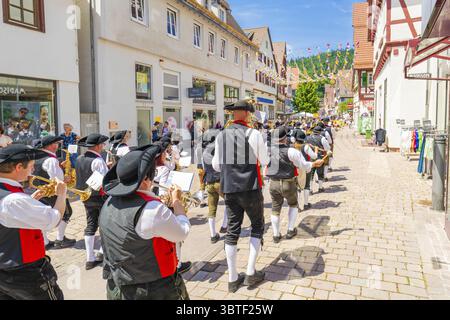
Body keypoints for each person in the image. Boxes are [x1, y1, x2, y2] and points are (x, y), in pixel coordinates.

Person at [99, 145, 190, 300]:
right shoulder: (152, 209)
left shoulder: (108, 202)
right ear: (147, 179)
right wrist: (176, 202)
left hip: (117, 285)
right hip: (153, 289)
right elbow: (182, 232)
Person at [212, 99, 270, 293]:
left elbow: (215, 166)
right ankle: (251, 272)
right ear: (247, 114)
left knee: (232, 230)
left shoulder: (221, 135)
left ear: (233, 114)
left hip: (230, 189)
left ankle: (232, 279)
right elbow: (265, 160)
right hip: (251, 188)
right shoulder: (254, 134)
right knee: (257, 226)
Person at [0, 144, 67, 300]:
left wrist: (29, 201)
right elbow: (54, 219)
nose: (33, 170)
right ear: (18, 167)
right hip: (23, 272)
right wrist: (62, 194)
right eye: (30, 166)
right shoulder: (14, 200)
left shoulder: (10, 195)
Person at [267, 127, 323, 243]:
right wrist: (314, 164)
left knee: (275, 208)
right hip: (288, 183)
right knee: (293, 204)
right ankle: (290, 230)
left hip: (273, 183)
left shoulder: (267, 151)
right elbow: (304, 166)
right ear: (286, 138)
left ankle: (276, 235)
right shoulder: (291, 151)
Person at [34, 136, 76, 250]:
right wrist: (66, 178)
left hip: (41, 192)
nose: (58, 146)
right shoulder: (51, 160)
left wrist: (60, 167)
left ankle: (45, 241)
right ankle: (60, 239)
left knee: (42, 216)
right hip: (53, 193)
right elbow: (57, 179)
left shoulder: (38, 158)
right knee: (67, 212)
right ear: (52, 145)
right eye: (56, 143)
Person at [75, 133, 109, 270]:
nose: (103, 146)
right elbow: (105, 180)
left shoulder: (79, 158)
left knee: (90, 224)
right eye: (102, 144)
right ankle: (101, 252)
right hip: (99, 196)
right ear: (97, 146)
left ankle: (90, 258)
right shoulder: (98, 161)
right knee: (103, 223)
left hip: (85, 196)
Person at [202, 130, 228, 244]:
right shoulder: (220, 151)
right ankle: (224, 226)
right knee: (230, 202)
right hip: (220, 181)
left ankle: (213, 235)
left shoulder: (204, 152)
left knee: (211, 209)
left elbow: (204, 168)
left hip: (209, 183)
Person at [293, 130, 318, 210]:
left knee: (297, 187)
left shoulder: (292, 146)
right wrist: (316, 150)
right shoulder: (306, 146)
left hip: (295, 169)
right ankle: (306, 204)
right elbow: (314, 157)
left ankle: (297, 206)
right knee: (306, 185)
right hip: (305, 167)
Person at [306, 126, 331, 193]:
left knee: (311, 174)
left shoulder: (307, 138)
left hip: (310, 157)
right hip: (320, 156)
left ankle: (310, 189)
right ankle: (320, 187)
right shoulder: (322, 138)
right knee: (320, 173)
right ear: (320, 132)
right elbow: (327, 148)